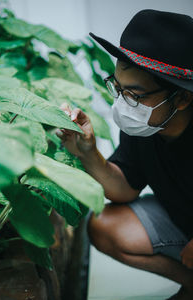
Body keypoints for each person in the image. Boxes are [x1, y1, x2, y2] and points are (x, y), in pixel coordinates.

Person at [56, 9, 193, 299]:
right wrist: (88, 152)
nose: (122, 104)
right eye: (118, 88)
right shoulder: (146, 127)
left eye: (134, 94)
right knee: (104, 226)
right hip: (182, 220)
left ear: (181, 98)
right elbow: (124, 189)